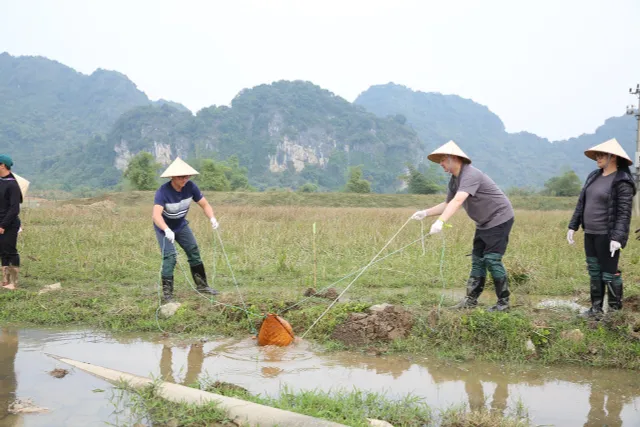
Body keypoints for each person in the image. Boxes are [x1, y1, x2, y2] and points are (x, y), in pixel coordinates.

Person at [411, 141, 515, 311]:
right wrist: (425, 213)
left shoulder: (470, 175)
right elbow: (448, 203)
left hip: (500, 218)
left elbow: (459, 201)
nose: (441, 165)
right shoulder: (454, 181)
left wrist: (441, 222)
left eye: (443, 161)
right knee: (477, 261)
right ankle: (470, 302)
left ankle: (503, 303)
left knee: (491, 259)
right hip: (483, 223)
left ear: (453, 158)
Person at [567, 138, 635, 318]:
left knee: (609, 273)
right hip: (590, 233)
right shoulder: (594, 176)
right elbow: (582, 203)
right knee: (594, 270)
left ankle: (614, 314)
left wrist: (617, 238)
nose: (598, 158)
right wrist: (573, 226)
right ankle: (595, 309)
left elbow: (623, 213)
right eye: (597, 155)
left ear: (613, 157)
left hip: (608, 235)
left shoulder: (623, 181)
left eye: (602, 154)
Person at [153, 157, 220, 303]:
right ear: (173, 177)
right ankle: (167, 295)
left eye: (187, 176)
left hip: (181, 225)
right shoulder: (163, 192)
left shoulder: (191, 187)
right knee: (170, 257)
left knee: (193, 250)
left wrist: (212, 218)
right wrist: (166, 229)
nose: (185, 179)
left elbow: (205, 205)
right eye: (181, 177)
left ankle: (202, 286)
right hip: (164, 227)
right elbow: (156, 216)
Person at [0, 155, 23, 291]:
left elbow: (14, 208)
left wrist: (3, 225)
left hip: (9, 224)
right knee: (2, 252)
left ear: (2, 165)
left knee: (10, 251)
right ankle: (5, 280)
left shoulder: (12, 184)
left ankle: (14, 282)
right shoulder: (1, 182)